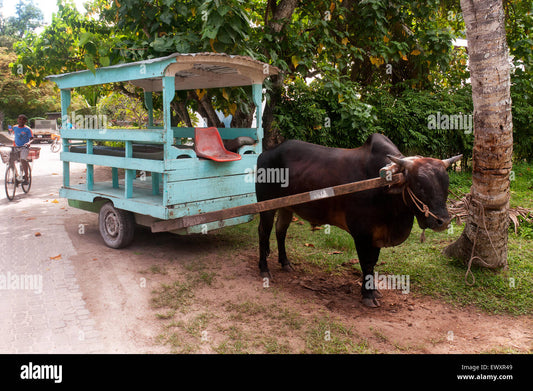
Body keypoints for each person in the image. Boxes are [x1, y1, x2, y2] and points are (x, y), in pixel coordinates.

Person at [12, 114, 33, 184]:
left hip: (24, 147)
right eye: (19, 119)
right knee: (10, 160)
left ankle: (26, 177)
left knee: (23, 160)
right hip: (16, 147)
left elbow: (32, 139)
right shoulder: (14, 128)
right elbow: (12, 136)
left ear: (25, 121)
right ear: (17, 120)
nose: (21, 121)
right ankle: (16, 176)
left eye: (23, 119)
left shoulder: (27, 129)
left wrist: (28, 143)